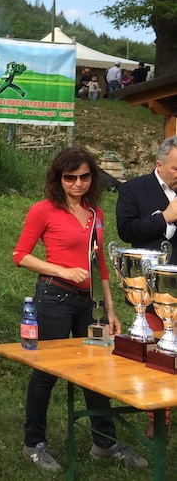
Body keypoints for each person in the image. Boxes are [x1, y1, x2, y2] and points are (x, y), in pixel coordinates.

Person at [13, 148, 146, 472]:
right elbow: (20, 255)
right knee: (46, 372)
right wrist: (62, 270)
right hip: (54, 298)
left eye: (84, 176)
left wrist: (110, 310)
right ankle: (34, 443)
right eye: (70, 177)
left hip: (89, 301)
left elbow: (100, 264)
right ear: (58, 179)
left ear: (93, 178)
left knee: (96, 370)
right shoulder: (43, 210)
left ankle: (104, 443)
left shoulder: (95, 213)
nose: (77, 183)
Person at [116, 136, 177, 438]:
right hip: (152, 294)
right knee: (159, 357)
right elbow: (127, 231)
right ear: (159, 165)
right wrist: (164, 218)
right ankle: (158, 419)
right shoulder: (134, 189)